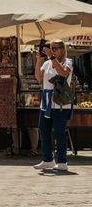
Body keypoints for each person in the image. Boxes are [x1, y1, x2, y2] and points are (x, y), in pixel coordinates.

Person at [34, 39, 73, 171]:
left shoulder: (67, 62)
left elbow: (63, 72)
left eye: (55, 48)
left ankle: (62, 161)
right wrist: (39, 60)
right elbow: (38, 77)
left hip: (60, 101)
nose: (53, 51)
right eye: (51, 48)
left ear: (62, 49)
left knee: (59, 131)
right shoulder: (47, 64)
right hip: (46, 100)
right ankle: (47, 159)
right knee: (43, 129)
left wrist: (52, 58)